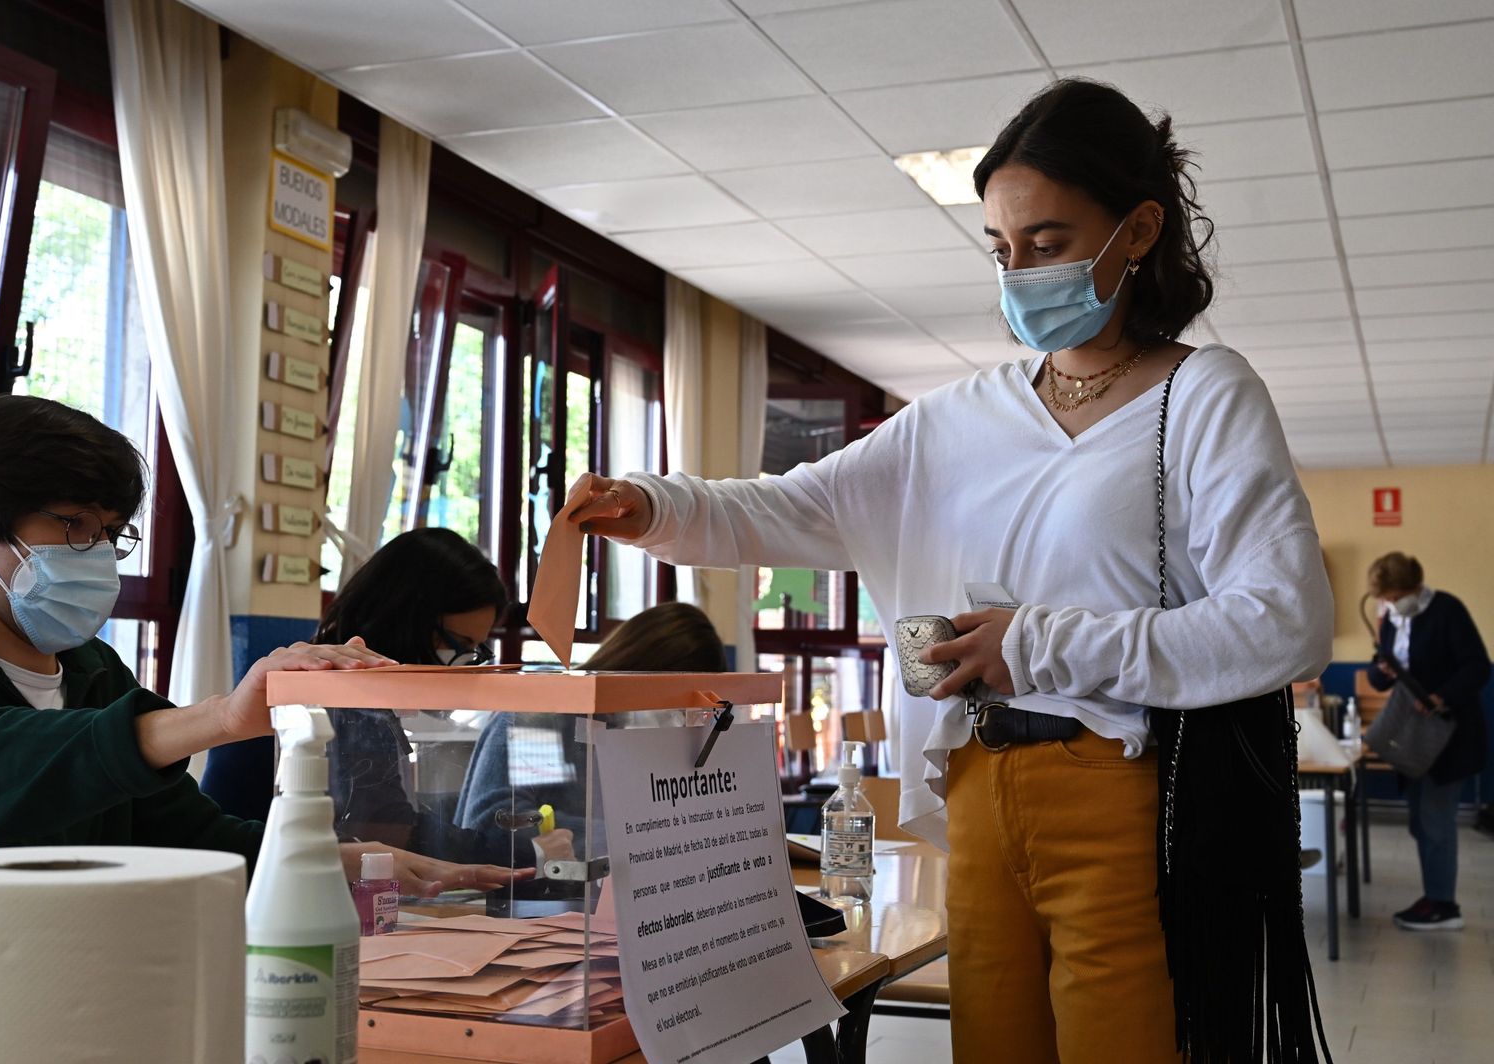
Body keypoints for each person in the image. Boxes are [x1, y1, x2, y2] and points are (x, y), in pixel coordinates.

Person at [569, 78, 1333, 1063]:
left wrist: (1041, 641)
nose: (1018, 273)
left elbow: (1284, 618)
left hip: (1119, 786)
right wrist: (653, 506)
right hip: (973, 787)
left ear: (1137, 230)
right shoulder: (956, 419)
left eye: (1048, 242)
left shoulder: (1201, 394)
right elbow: (792, 505)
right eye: (1001, 247)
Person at [0, 396, 450, 890]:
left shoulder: (95, 671)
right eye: (75, 525)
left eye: (111, 533)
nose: (98, 552)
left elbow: (189, 837)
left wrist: (354, 860)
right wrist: (222, 717)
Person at [312, 527, 537, 889]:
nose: (462, 663)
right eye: (460, 644)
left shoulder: (369, 696)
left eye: (476, 649)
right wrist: (524, 852)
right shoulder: (344, 695)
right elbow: (389, 826)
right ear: (408, 619)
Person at [453, 601, 728, 845]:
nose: (680, 721)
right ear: (642, 668)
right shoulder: (546, 717)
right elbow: (495, 823)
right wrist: (640, 833)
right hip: (527, 896)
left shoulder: (623, 730)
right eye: (678, 708)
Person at [1365, 552, 1490, 931]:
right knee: (1420, 821)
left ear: (1413, 588)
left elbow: (1477, 667)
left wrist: (1441, 696)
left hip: (1449, 735)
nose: (1387, 603)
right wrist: (1381, 672)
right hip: (1415, 738)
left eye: (1393, 595)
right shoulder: (1390, 619)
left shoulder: (1446, 610)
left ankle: (1444, 906)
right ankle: (1433, 895)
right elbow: (1379, 676)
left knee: (1436, 821)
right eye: (1383, 597)